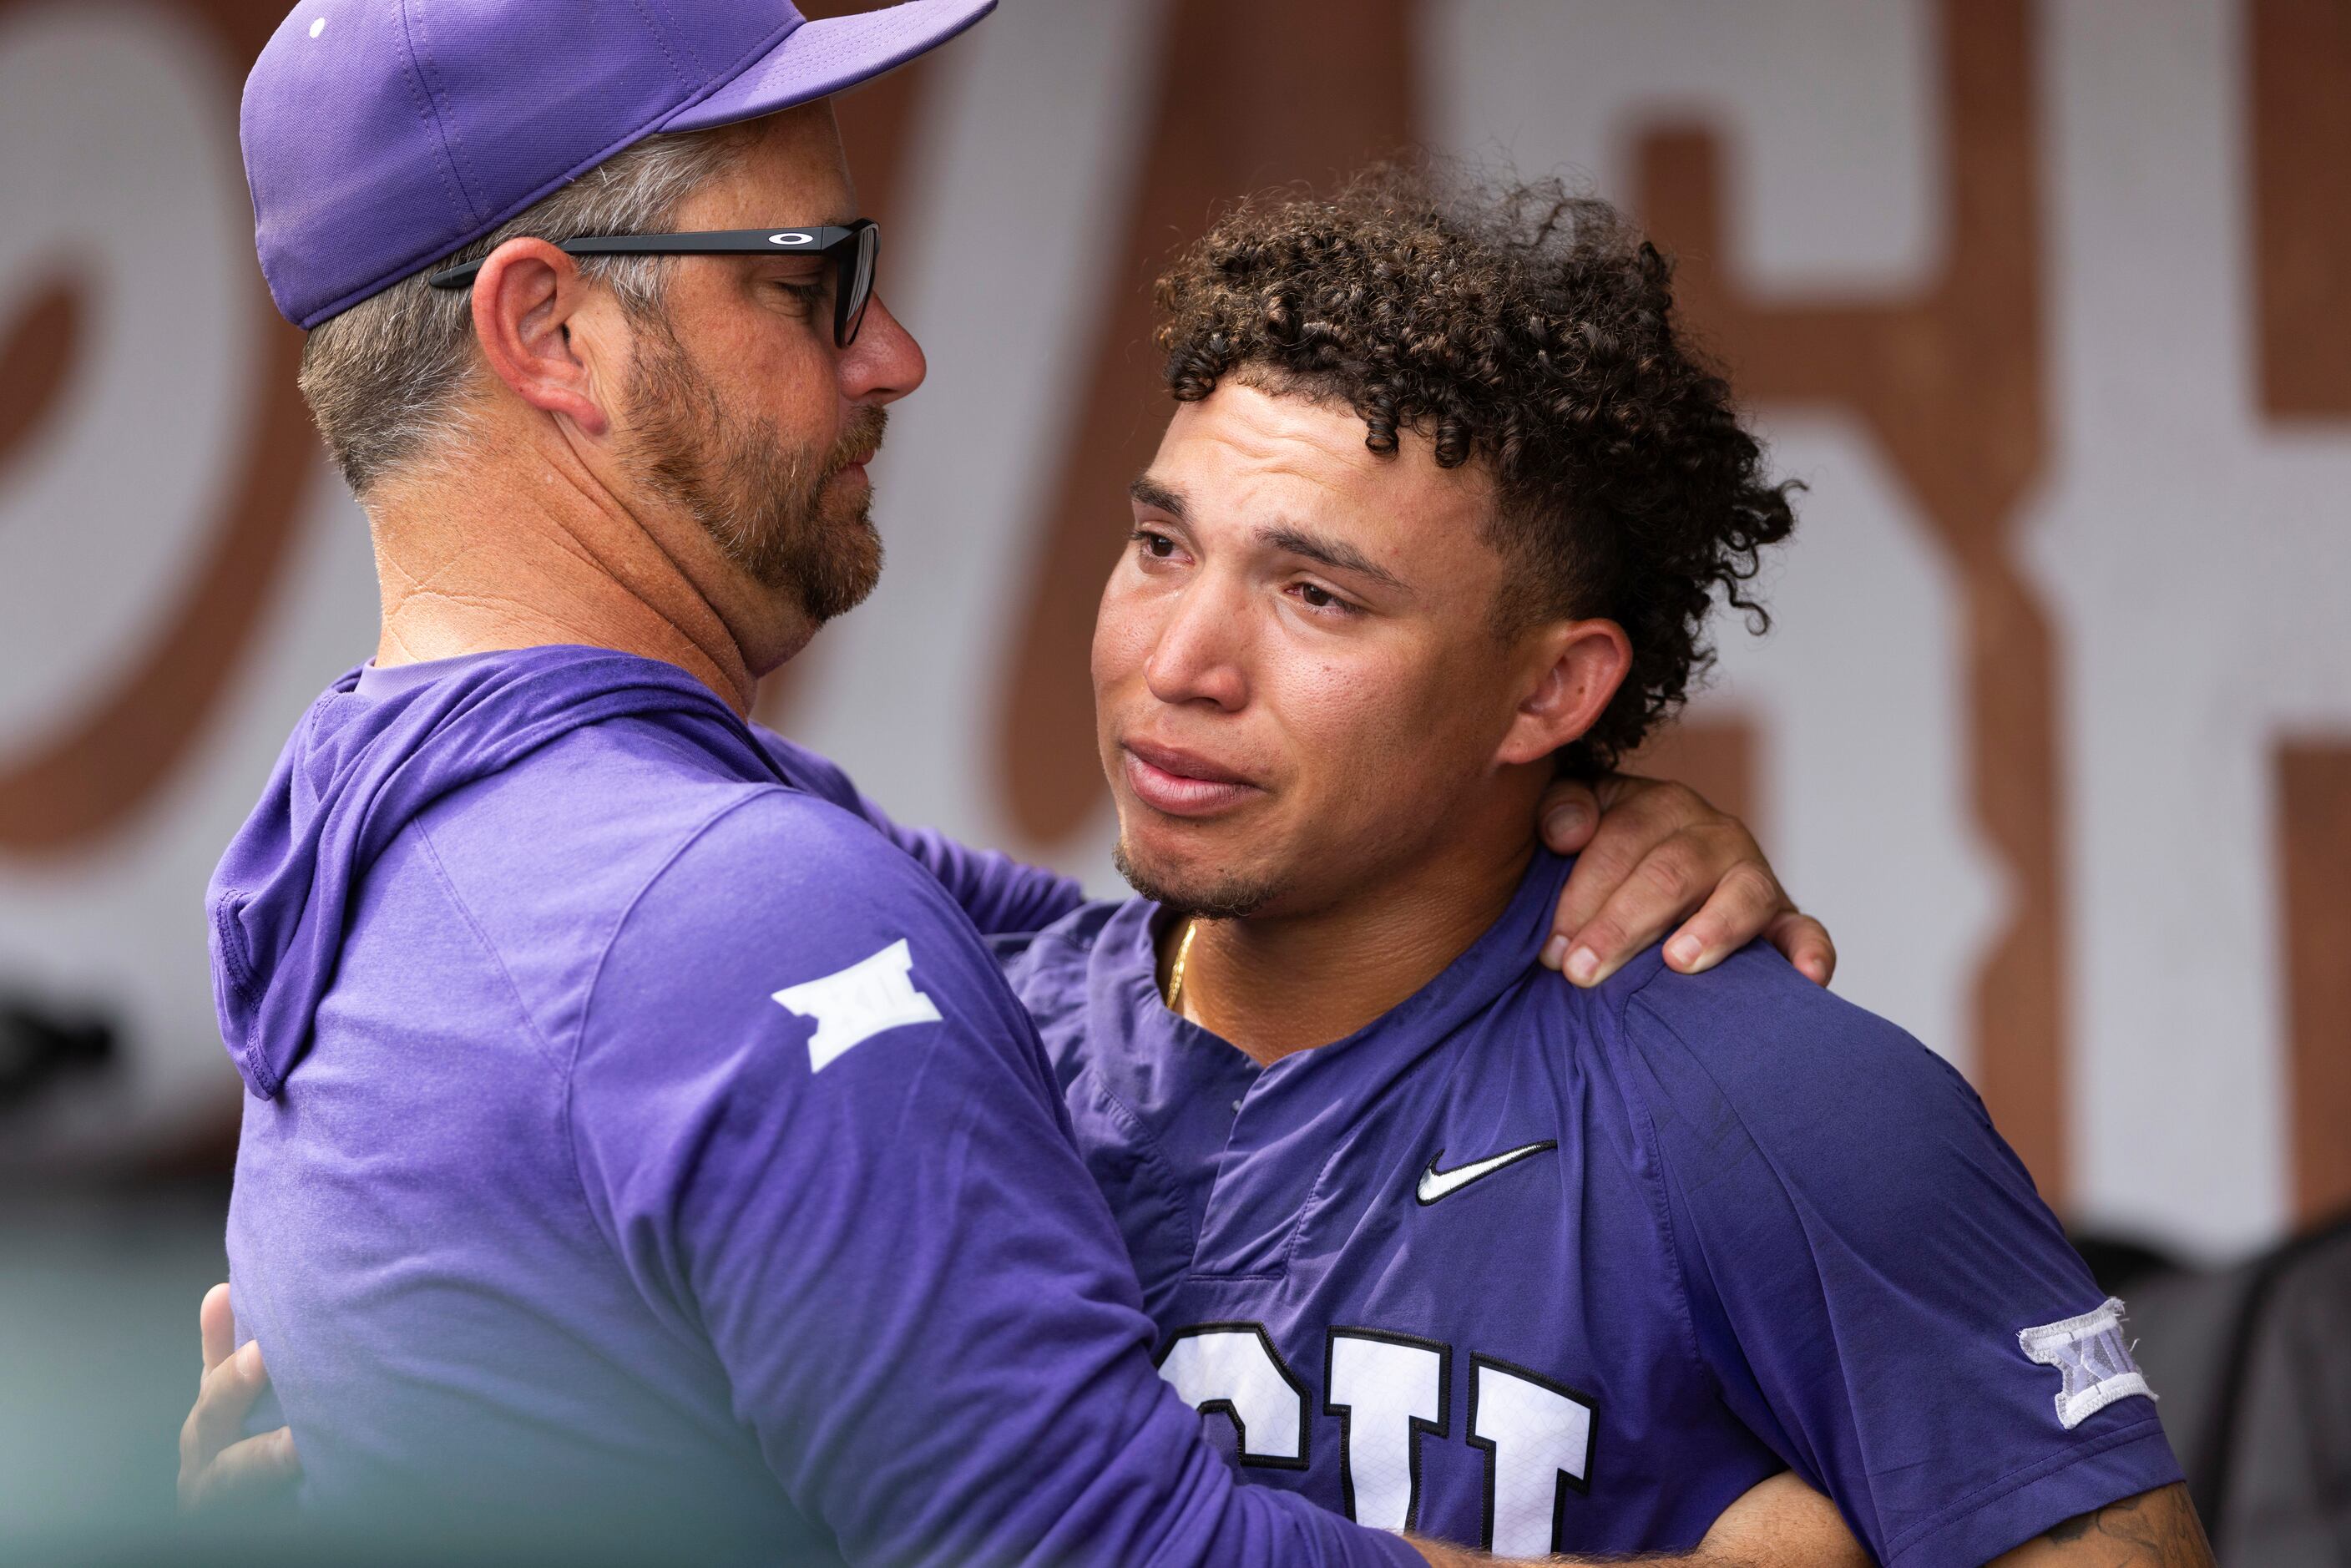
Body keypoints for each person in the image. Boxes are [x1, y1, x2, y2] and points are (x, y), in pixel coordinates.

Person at [181, 3, 1850, 1563]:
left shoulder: (395, 817)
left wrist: (1544, 809)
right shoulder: (723, 914)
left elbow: (1147, 970)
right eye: (808, 281)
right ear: (552, 330)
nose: (889, 355)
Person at [974, 169, 2211, 1565]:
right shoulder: (941, 1055)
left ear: (1551, 692)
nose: (1178, 662)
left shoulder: (1781, 1100)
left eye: (1316, 595)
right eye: (1158, 546)